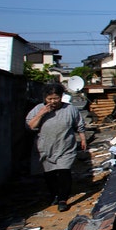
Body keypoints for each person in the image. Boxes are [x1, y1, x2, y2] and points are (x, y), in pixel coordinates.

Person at [26, 83, 87, 212]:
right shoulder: (38, 109)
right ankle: (55, 195)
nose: (53, 101)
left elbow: (79, 125)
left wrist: (83, 138)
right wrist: (42, 113)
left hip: (65, 146)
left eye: (56, 98)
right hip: (45, 148)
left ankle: (63, 199)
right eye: (50, 99)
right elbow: (31, 126)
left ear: (61, 97)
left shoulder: (70, 109)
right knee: (50, 174)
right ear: (45, 98)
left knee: (64, 172)